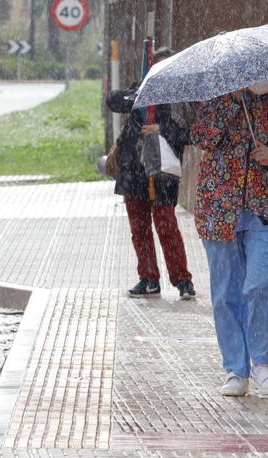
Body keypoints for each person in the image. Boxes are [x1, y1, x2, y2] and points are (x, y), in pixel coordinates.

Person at [190, 80, 268, 397]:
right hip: (221, 208)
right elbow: (201, 137)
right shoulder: (219, 97)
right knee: (226, 292)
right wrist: (231, 102)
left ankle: (262, 362)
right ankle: (236, 367)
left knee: (263, 281)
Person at [105, 48, 196, 300]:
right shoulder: (140, 90)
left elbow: (190, 132)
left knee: (166, 225)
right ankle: (148, 279)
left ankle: (183, 281)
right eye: (155, 66)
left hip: (163, 172)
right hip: (133, 171)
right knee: (140, 228)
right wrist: (139, 94)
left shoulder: (179, 97)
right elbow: (112, 101)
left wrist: (161, 127)